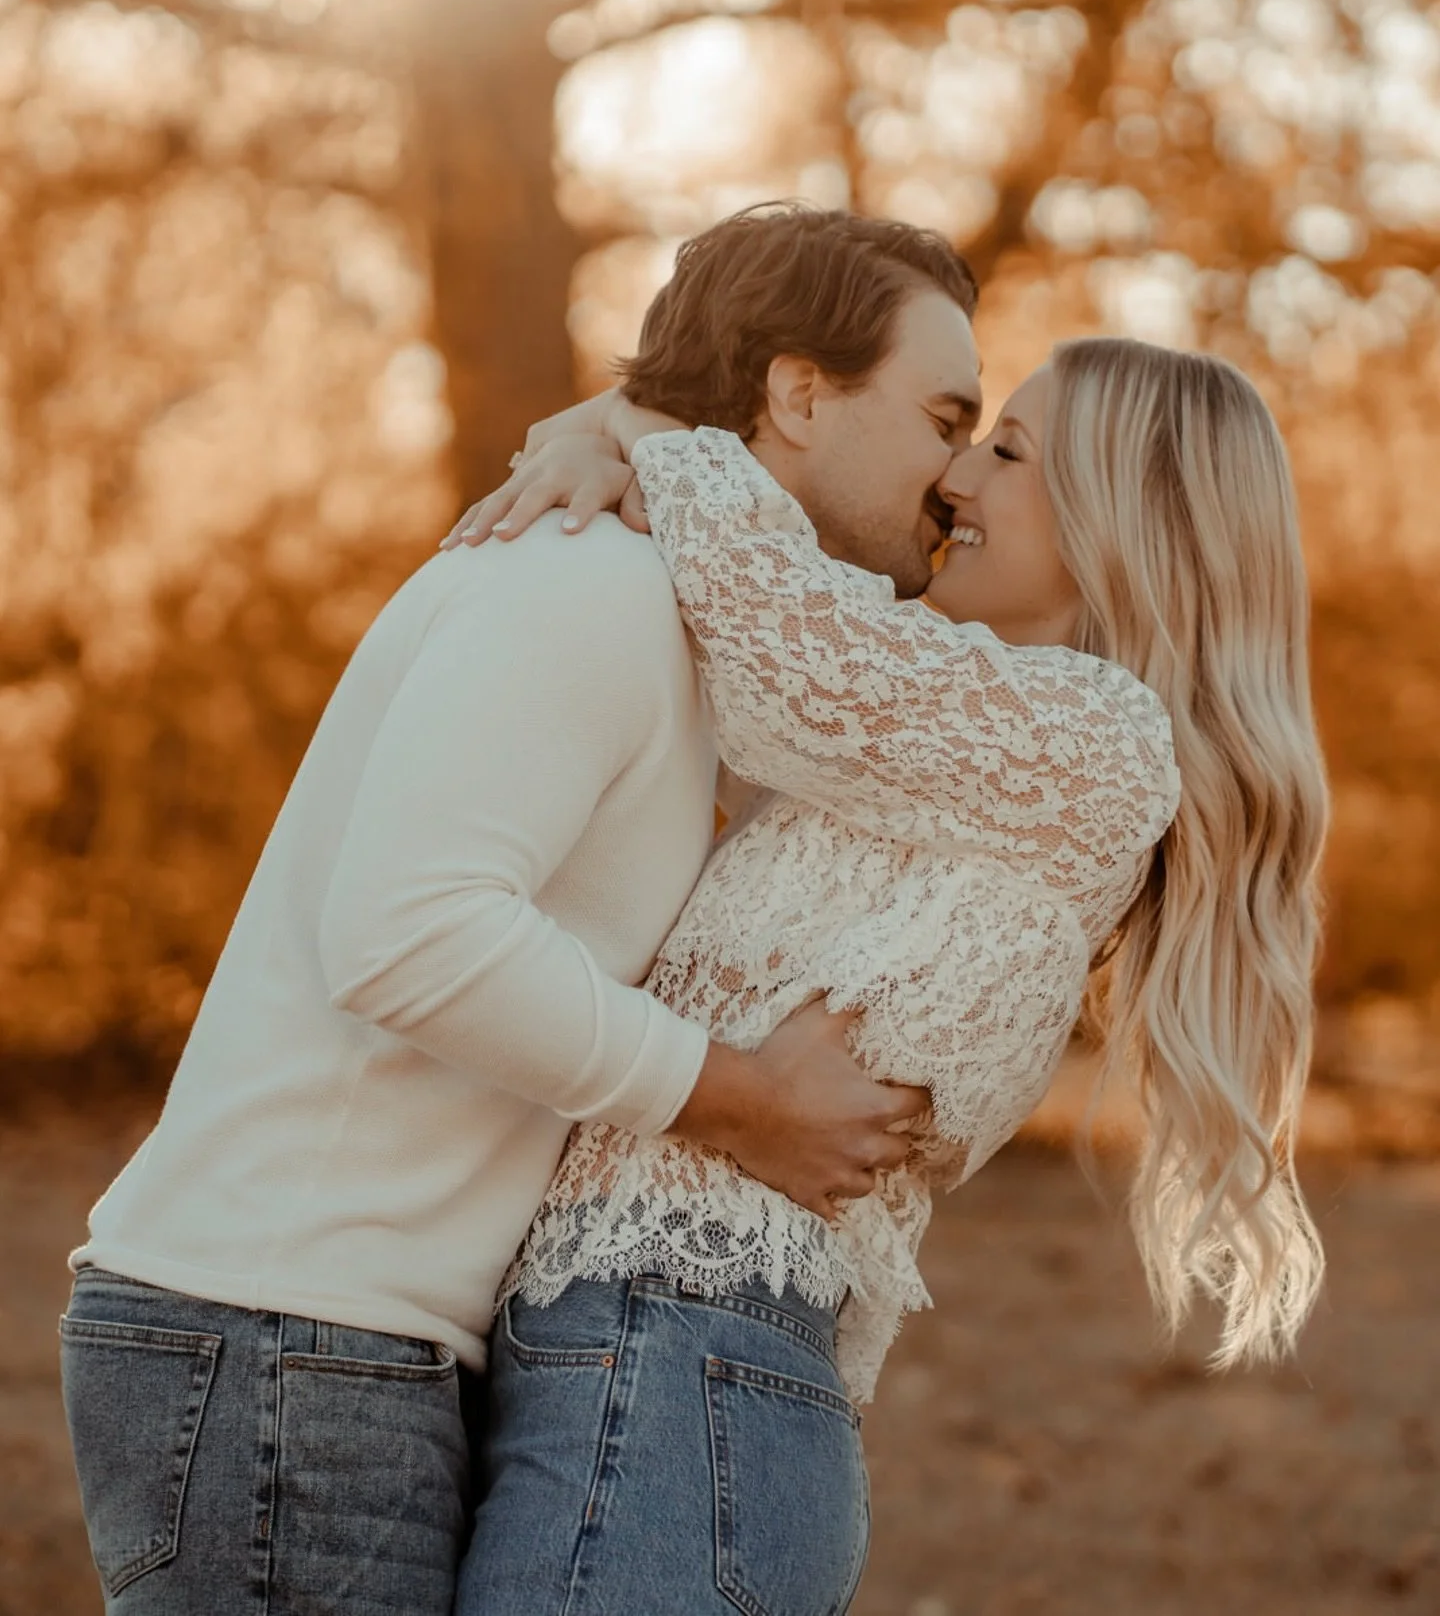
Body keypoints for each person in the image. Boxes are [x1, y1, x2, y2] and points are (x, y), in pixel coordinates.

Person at [58, 205, 982, 1615]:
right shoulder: (586, 584)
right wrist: (733, 1096)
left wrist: (615, 422)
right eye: (942, 416)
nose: (959, 472)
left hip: (341, 1337)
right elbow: (410, 933)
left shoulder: (661, 602)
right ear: (799, 391)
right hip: (289, 1335)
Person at [441, 336, 1328, 1614]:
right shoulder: (959, 737)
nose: (954, 477)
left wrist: (645, 431)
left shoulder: (1097, 743)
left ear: (1121, 524)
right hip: (631, 1350)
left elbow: (786, 656)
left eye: (1006, 451)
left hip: (680, 1352)